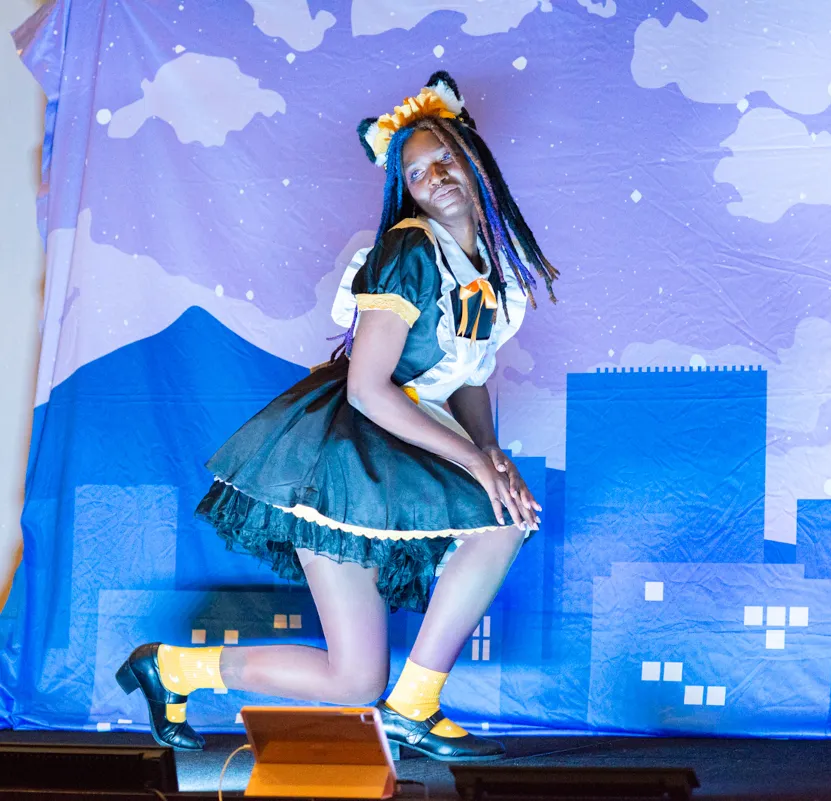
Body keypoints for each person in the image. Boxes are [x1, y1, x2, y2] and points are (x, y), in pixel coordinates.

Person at [115, 71, 558, 762]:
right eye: (415, 173)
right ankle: (413, 707)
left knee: (355, 678)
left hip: (406, 437)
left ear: (474, 157)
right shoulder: (411, 250)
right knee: (500, 524)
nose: (435, 177)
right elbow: (368, 389)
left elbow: (471, 374)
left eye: (444, 158)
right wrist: (474, 463)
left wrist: (489, 451)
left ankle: (170, 669)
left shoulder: (496, 266)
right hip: (348, 448)